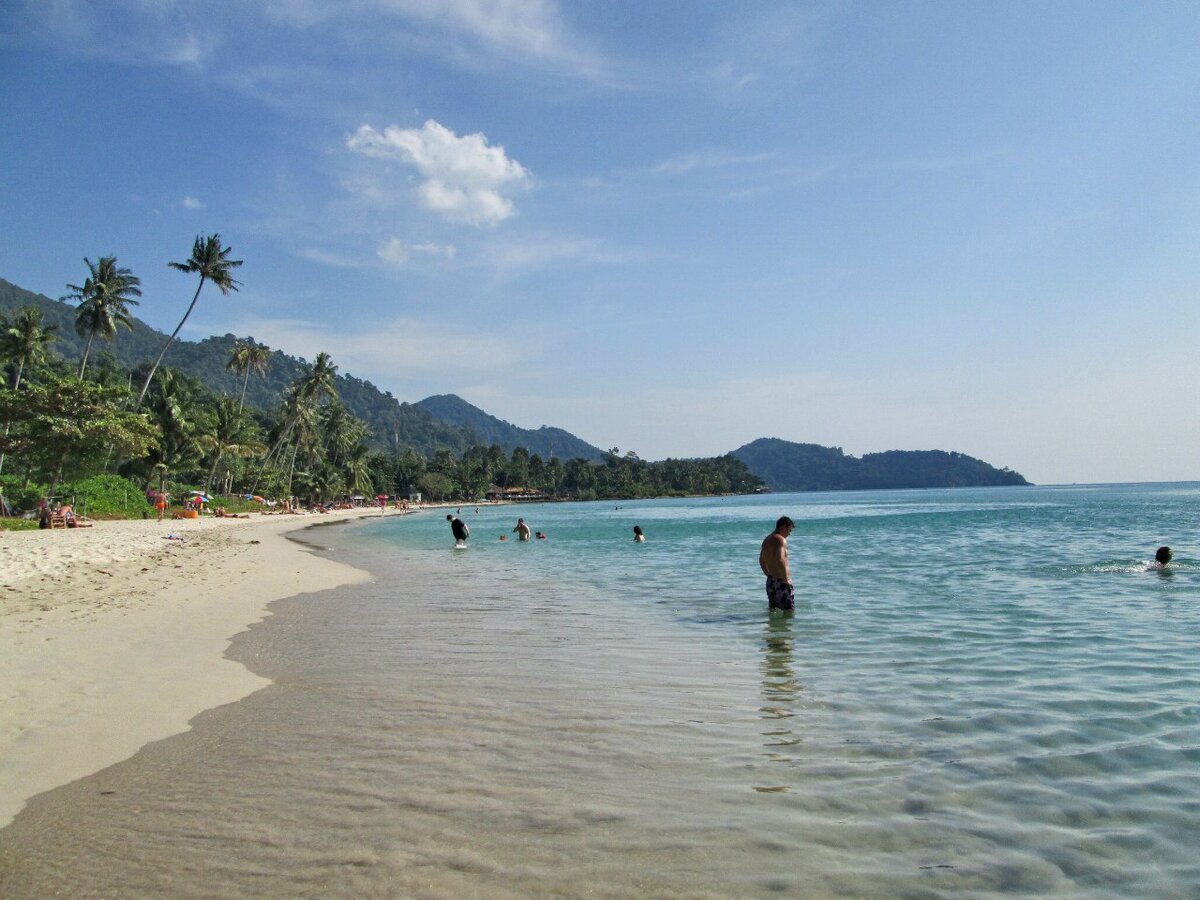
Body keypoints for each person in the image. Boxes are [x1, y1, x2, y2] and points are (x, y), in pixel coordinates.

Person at [759, 516, 796, 612]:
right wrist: (785, 579)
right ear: (783, 527)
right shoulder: (781, 540)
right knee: (788, 612)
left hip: (771, 582)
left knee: (773, 611)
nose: (789, 534)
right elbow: (780, 559)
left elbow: (762, 561)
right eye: (789, 530)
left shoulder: (766, 540)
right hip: (782, 582)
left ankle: (773, 627)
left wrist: (768, 575)